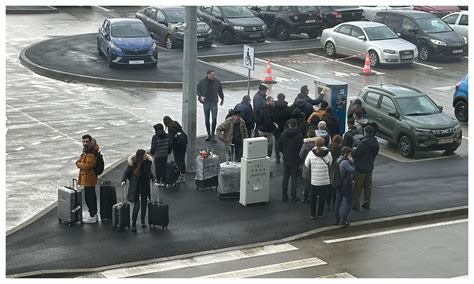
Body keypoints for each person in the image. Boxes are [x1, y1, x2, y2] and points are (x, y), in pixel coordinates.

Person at [120, 149, 156, 233]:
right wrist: (123, 180)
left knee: (144, 204)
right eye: (144, 155)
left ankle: (143, 221)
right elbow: (126, 173)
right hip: (135, 187)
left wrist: (154, 179)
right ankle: (134, 223)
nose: (146, 156)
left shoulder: (147, 163)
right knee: (137, 205)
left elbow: (149, 173)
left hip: (144, 186)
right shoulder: (133, 164)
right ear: (140, 156)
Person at [352, 125, 379, 210]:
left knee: (357, 188)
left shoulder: (362, 144)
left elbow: (355, 154)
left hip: (360, 168)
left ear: (366, 133)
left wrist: (354, 150)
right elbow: (375, 154)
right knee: (368, 187)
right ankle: (366, 203)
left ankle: (356, 205)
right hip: (369, 167)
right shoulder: (376, 143)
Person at [304, 137, 333, 219]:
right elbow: (330, 163)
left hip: (314, 180)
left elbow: (307, 164)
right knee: (322, 198)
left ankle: (312, 214)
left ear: (315, 143)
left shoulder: (311, 153)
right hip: (324, 180)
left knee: (313, 198)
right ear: (323, 143)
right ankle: (320, 214)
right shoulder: (328, 153)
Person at [76, 134, 100, 224]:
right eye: (84, 141)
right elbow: (83, 161)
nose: (85, 143)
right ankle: (93, 214)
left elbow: (88, 165)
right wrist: (80, 162)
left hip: (89, 178)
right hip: (87, 178)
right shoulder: (87, 151)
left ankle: (93, 215)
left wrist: (78, 164)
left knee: (90, 197)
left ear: (90, 142)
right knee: (90, 196)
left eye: (87, 141)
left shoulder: (91, 153)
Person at [278, 119, 304, 202]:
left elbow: (279, 146)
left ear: (289, 125)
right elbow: (301, 148)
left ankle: (284, 195)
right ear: (296, 125)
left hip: (286, 158)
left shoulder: (283, 134)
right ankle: (293, 196)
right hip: (295, 159)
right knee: (294, 178)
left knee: (285, 177)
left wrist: (285, 152)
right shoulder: (299, 135)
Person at [197, 69, 224, 141]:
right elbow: (197, 89)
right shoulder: (202, 82)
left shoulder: (217, 81)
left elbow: (220, 91)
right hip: (206, 102)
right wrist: (200, 96)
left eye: (214, 75)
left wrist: (222, 99)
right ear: (208, 74)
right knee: (207, 119)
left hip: (214, 102)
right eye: (212, 75)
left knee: (214, 118)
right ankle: (208, 134)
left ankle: (213, 134)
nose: (213, 76)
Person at [334, 146, 355, 227]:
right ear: (346, 154)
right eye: (350, 154)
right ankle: (344, 218)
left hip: (338, 183)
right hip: (346, 185)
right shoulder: (345, 163)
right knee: (350, 202)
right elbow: (352, 170)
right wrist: (352, 162)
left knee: (338, 201)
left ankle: (337, 218)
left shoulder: (338, 160)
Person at [163, 116, 188, 183]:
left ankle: (178, 175)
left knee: (177, 160)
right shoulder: (175, 123)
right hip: (183, 143)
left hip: (177, 145)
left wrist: (169, 150)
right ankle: (183, 175)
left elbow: (172, 139)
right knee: (182, 159)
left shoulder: (170, 127)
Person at [273, 93, 293, 163]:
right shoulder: (288, 108)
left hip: (276, 127)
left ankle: (277, 157)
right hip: (285, 128)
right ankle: (284, 156)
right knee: (286, 142)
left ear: (277, 98)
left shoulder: (274, 108)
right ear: (284, 98)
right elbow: (290, 118)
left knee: (277, 141)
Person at [299, 129, 317, 204]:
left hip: (307, 166)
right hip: (316, 166)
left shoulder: (305, 145)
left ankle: (306, 198)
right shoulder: (317, 145)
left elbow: (301, 155)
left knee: (307, 183)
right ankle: (313, 197)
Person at [327, 134, 342, 211]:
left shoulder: (329, 148)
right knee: (336, 190)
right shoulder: (341, 149)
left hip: (330, 170)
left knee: (329, 189)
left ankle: (328, 205)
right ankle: (334, 205)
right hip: (338, 171)